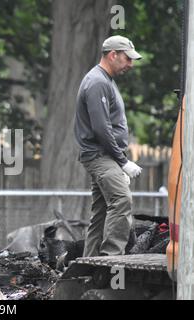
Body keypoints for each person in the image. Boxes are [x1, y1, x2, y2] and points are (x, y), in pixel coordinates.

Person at [74, 35, 143, 257]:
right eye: (127, 59)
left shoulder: (104, 80)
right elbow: (101, 129)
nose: (130, 65)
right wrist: (122, 162)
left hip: (105, 156)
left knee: (102, 212)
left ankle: (88, 262)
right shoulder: (98, 82)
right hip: (100, 156)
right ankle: (109, 258)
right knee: (122, 199)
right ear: (113, 55)